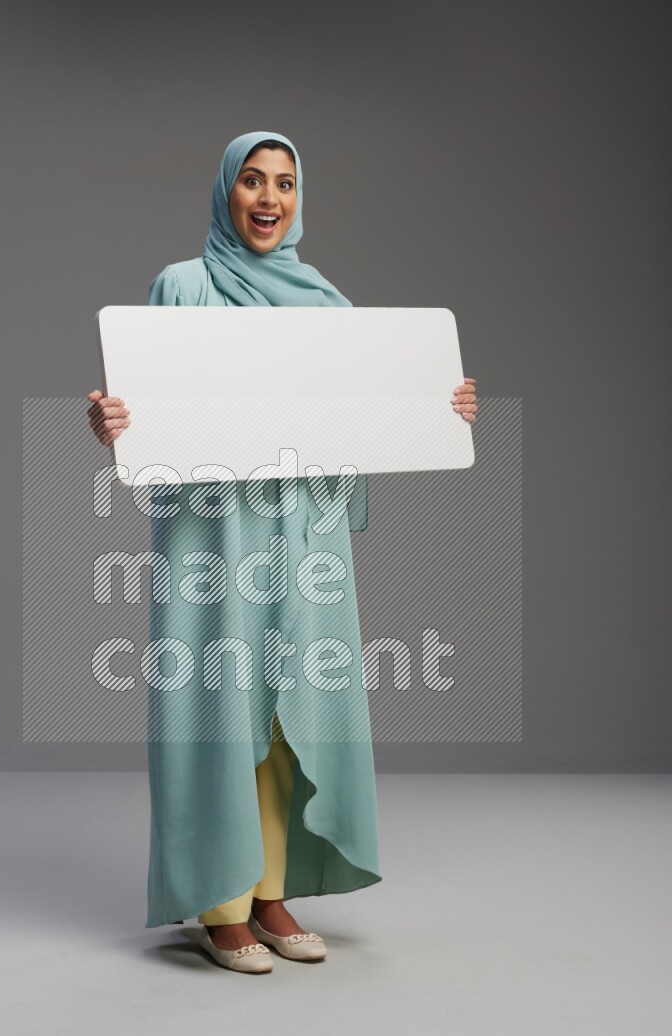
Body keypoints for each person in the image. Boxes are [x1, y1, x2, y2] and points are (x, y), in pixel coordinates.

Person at [87, 131, 477, 973]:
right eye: (253, 181)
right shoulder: (183, 286)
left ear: (300, 199)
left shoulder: (326, 303)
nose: (270, 198)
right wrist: (115, 423)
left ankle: (269, 893)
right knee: (216, 710)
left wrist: (437, 406)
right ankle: (217, 905)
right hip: (210, 535)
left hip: (306, 531)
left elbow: (364, 414)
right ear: (226, 191)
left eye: (287, 184)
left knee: (286, 717)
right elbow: (151, 406)